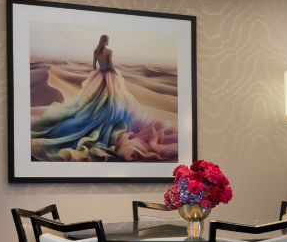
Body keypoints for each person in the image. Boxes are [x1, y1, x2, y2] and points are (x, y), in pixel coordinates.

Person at [31, 34, 178, 162]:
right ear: (106, 41)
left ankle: (101, 121)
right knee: (115, 102)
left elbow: (95, 65)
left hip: (98, 75)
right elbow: (111, 65)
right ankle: (111, 124)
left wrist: (100, 74)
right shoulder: (109, 51)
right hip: (109, 75)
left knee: (95, 102)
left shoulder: (96, 51)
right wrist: (114, 75)